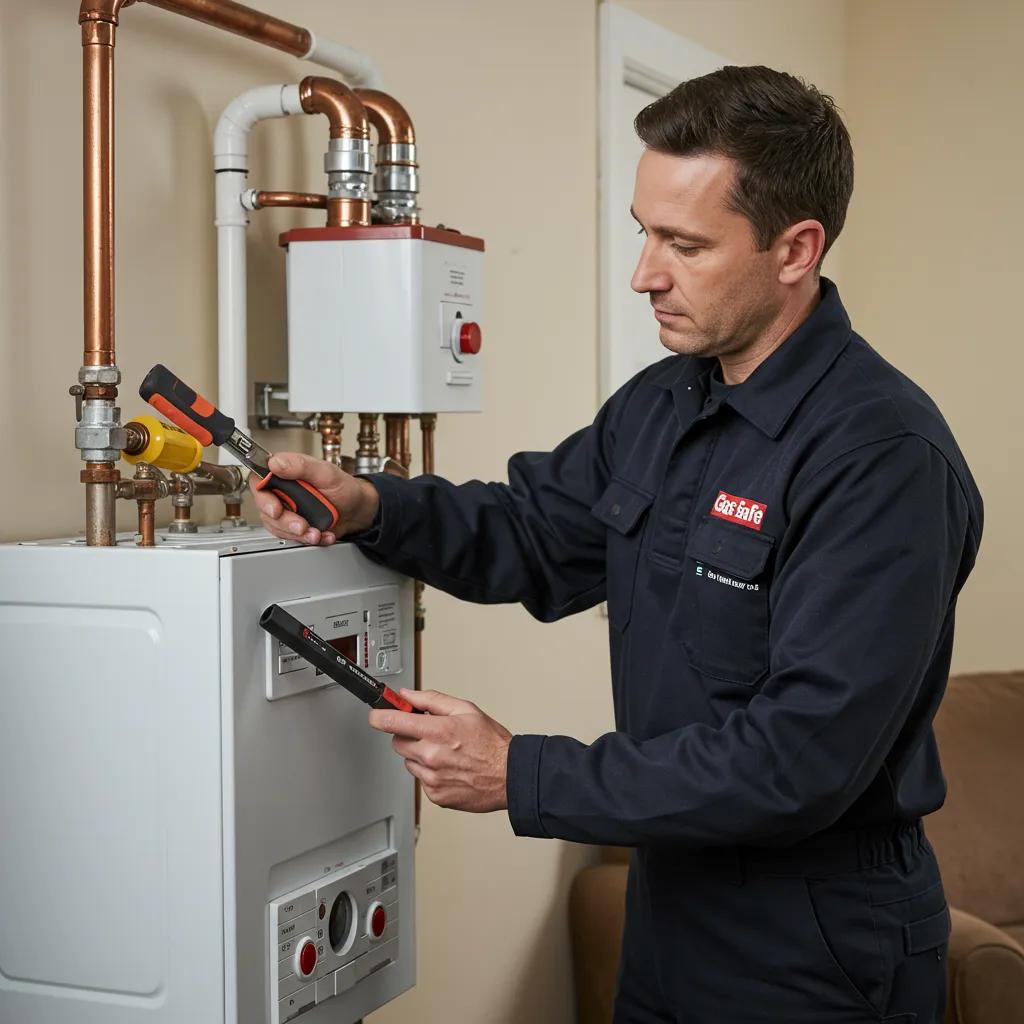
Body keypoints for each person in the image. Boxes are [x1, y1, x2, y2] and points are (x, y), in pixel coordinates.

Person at [253, 66, 982, 1024]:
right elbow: (534, 531)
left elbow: (797, 760)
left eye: (683, 244)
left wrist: (522, 772)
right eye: (644, 232)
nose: (645, 272)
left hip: (817, 937)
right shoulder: (666, 399)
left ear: (796, 248)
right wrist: (371, 507)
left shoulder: (881, 457)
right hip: (670, 904)